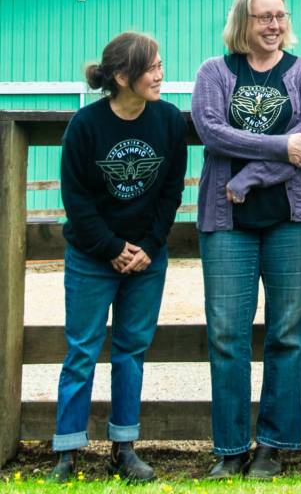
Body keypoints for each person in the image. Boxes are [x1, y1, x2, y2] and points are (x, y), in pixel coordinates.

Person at [191, 0, 301, 480]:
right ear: (242, 21)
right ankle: (229, 448)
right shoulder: (214, 71)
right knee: (227, 333)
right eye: (262, 17)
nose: (273, 25)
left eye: (279, 16)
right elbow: (211, 130)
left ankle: (273, 445)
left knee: (287, 332)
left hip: (297, 219)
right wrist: (276, 146)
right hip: (227, 220)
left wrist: (250, 175)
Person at [51, 32, 188, 483]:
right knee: (82, 351)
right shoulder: (86, 126)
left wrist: (148, 246)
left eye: (161, 64)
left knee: (131, 351)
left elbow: (171, 192)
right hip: (92, 257)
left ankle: (123, 449)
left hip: (147, 260)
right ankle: (67, 453)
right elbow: (76, 199)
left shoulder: (168, 121)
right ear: (123, 76)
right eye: (152, 67)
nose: (160, 74)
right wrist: (112, 249)